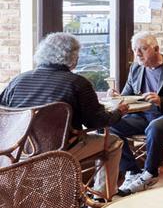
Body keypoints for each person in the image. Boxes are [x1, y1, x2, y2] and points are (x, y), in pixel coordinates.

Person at [0, 32, 126, 197]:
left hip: (17, 154)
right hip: (58, 153)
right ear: (73, 57)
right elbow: (96, 122)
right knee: (113, 142)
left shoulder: (18, 81)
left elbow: (4, 115)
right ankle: (100, 200)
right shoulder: (77, 83)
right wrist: (119, 112)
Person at [110, 31, 163, 194]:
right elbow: (127, 95)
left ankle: (150, 173)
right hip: (140, 116)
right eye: (135, 50)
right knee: (108, 124)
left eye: (142, 49)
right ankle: (132, 170)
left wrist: (161, 101)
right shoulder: (135, 68)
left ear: (156, 49)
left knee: (155, 127)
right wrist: (115, 96)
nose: (137, 54)